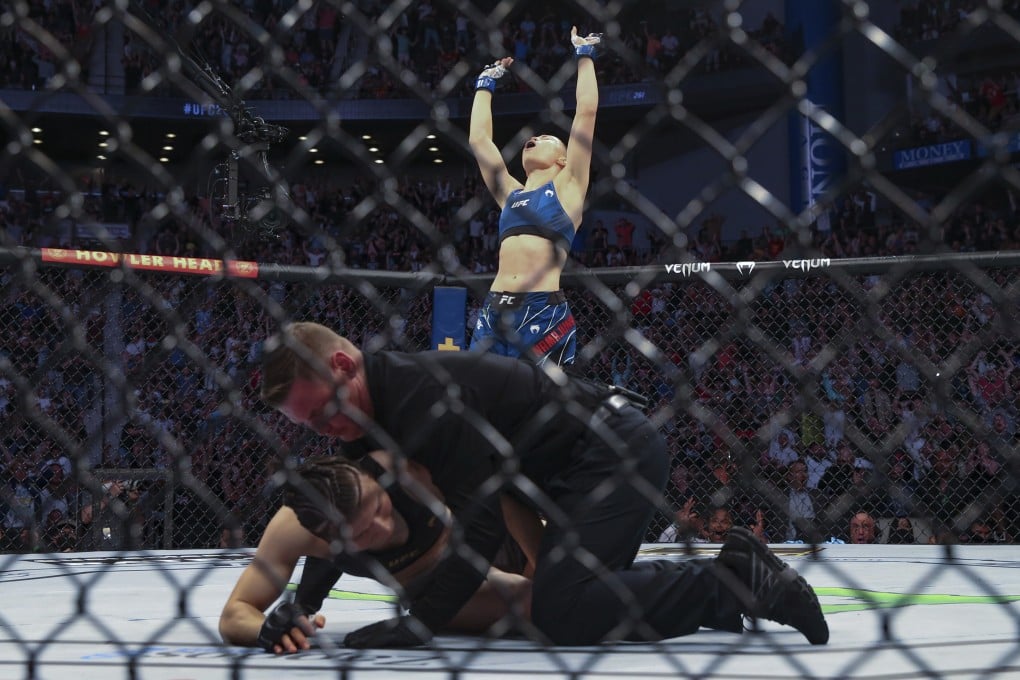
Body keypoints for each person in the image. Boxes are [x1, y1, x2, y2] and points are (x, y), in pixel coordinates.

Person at [259, 321, 829, 647]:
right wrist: (301, 606)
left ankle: (729, 582)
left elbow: (481, 525)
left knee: (562, 608)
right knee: (570, 595)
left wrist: (420, 624)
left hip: (610, 451)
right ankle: (722, 585)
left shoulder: (421, 397)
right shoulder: (367, 418)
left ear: (343, 365)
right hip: (565, 476)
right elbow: (343, 507)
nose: (325, 429)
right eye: (311, 425)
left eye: (324, 411)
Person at [219, 451, 535, 654]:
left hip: (499, 533)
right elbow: (235, 613)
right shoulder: (295, 527)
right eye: (363, 533)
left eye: (380, 508)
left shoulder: (405, 466)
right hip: (445, 583)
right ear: (327, 538)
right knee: (529, 602)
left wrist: (542, 563)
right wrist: (267, 629)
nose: (383, 527)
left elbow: (501, 497)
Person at [465, 26, 601, 365]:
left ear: (563, 159)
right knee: (476, 389)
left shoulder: (569, 186)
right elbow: (479, 141)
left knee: (538, 395)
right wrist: (485, 83)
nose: (535, 138)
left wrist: (584, 54)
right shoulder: (510, 194)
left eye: (546, 139)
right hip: (494, 308)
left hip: (540, 310)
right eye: (534, 137)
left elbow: (586, 112)